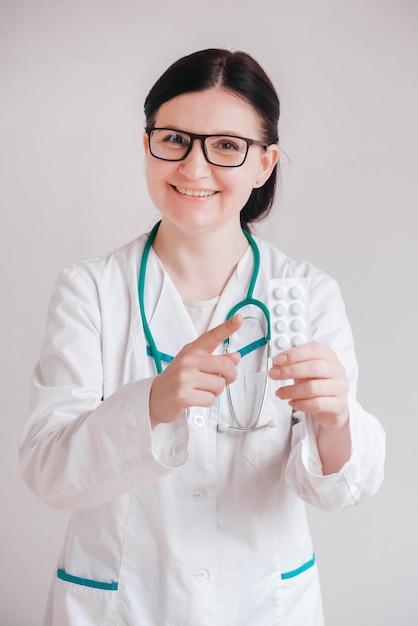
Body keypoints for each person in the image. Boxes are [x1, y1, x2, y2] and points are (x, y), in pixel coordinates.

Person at [19, 48, 385, 626]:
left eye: (225, 146)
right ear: (147, 146)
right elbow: (48, 471)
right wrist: (153, 404)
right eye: (174, 139)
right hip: (121, 607)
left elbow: (335, 489)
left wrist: (337, 421)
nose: (192, 168)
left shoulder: (307, 294)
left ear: (265, 163)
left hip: (264, 606)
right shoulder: (89, 290)